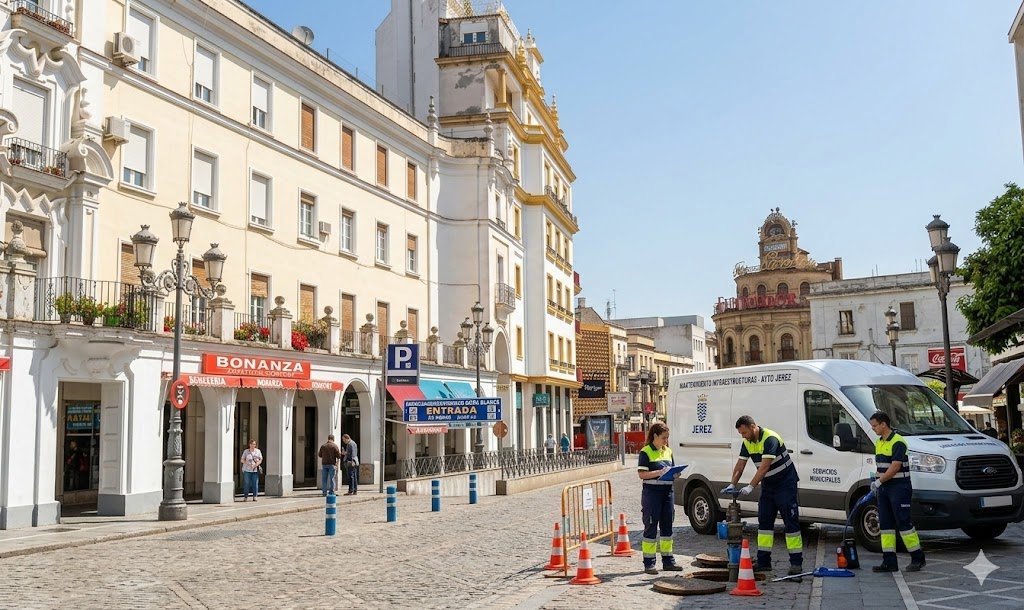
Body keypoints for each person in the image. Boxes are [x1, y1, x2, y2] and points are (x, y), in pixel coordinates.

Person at [724, 415, 804, 579]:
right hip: (768, 486)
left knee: (791, 523)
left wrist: (750, 486)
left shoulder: (770, 438)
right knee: (764, 522)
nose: (743, 436)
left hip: (785, 485)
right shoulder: (747, 442)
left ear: (753, 427)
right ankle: (764, 562)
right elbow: (740, 465)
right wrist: (732, 483)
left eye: (744, 432)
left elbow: (764, 467)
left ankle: (796, 564)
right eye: (741, 433)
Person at [869, 411, 926, 572]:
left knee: (903, 523)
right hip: (885, 488)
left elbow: (895, 466)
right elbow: (882, 466)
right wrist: (875, 480)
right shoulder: (879, 442)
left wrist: (879, 481)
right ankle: (889, 561)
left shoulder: (898, 441)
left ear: (883, 424)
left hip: (899, 487)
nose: (873, 429)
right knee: (886, 525)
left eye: (874, 426)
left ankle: (918, 558)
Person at [637, 422, 684, 575]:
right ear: (655, 436)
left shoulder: (668, 451)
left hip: (667, 493)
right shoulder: (646, 452)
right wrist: (658, 472)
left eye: (667, 438)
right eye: (663, 438)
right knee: (651, 526)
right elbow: (642, 475)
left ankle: (668, 561)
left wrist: (676, 474)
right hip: (652, 493)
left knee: (667, 527)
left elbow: (672, 469)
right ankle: (649, 563)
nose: (666, 441)